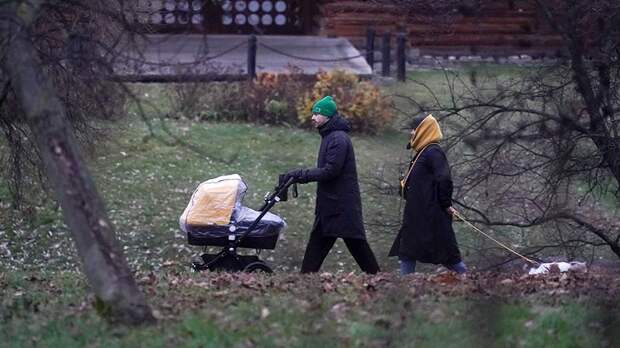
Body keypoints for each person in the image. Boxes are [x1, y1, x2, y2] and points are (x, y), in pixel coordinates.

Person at [283, 96, 380, 274]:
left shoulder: (338, 139)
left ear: (327, 116)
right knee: (319, 243)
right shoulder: (330, 136)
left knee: (357, 244)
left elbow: (330, 171)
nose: (312, 117)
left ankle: (379, 280)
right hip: (331, 206)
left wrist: (300, 175)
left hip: (341, 206)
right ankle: (304, 279)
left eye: (316, 114)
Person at [388, 114, 467, 275]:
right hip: (417, 215)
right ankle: (406, 288)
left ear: (423, 130)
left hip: (431, 216)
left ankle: (470, 281)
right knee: (406, 253)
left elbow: (445, 180)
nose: (411, 133)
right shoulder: (422, 153)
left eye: (414, 129)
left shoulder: (433, 152)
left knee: (449, 257)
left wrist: (445, 204)